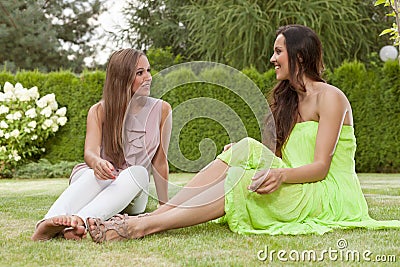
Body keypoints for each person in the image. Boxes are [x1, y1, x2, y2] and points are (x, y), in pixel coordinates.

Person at [86, 25, 400, 242]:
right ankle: (152, 219)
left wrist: (281, 176)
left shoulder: (330, 97)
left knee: (241, 180)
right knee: (243, 153)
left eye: (278, 51)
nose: (272, 58)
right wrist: (249, 154)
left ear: (299, 55)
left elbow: (319, 168)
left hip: (329, 195)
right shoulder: (286, 100)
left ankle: (142, 226)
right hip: (298, 184)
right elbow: (280, 159)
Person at [31, 48, 172, 241]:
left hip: (132, 193)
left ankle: (78, 220)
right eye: (140, 73)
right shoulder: (98, 111)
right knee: (91, 174)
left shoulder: (162, 110)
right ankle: (48, 223)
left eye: (148, 70)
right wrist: (97, 163)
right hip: (96, 181)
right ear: (121, 78)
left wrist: (165, 206)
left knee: (137, 172)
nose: (148, 77)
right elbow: (90, 152)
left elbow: (160, 162)